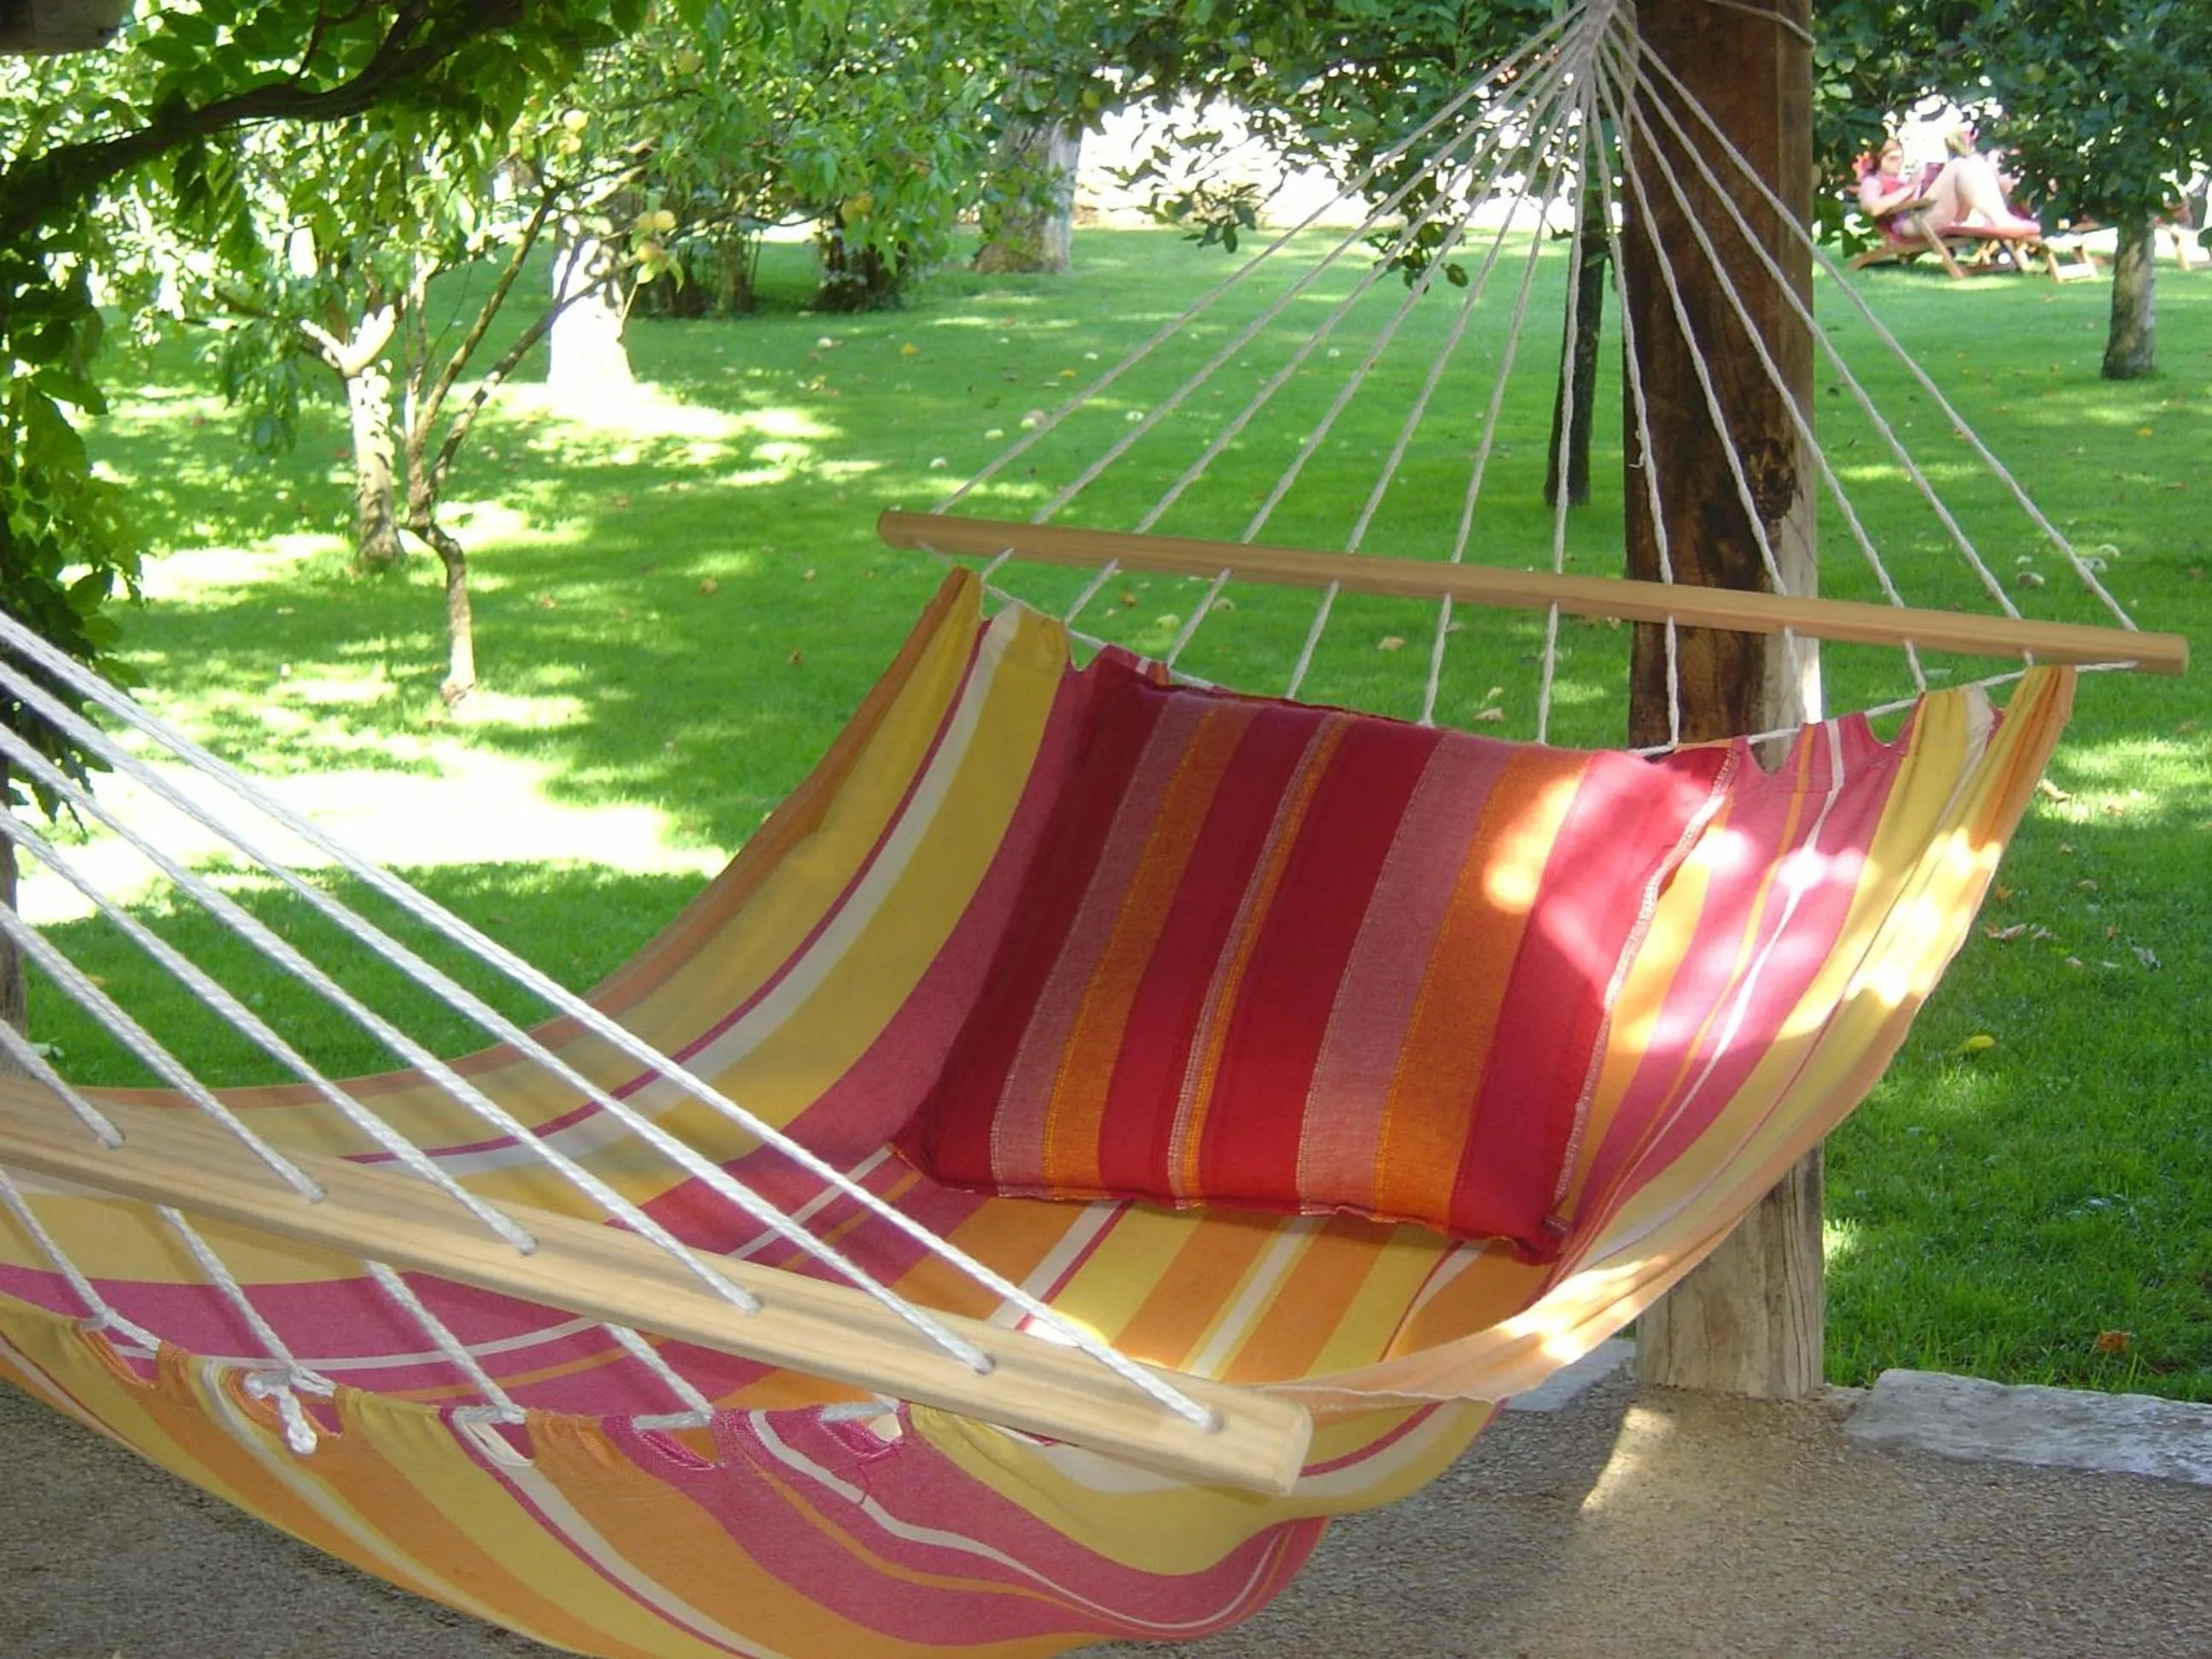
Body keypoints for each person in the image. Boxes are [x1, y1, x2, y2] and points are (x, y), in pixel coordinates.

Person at [1855, 137, 2041, 241]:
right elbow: (1872, 208)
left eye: (1900, 158)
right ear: (1878, 160)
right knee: (1957, 165)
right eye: (1892, 159)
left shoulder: (1901, 177)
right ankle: (2002, 219)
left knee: (1975, 161)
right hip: (1910, 223)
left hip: (1929, 214)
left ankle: (2001, 216)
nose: (1898, 163)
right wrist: (1910, 188)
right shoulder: (1872, 181)